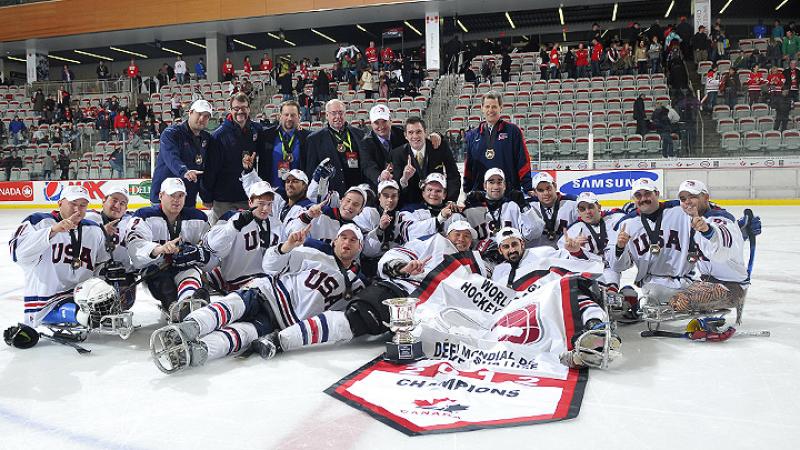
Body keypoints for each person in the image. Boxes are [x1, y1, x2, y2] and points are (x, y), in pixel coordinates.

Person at [249, 220, 486, 362]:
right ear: (447, 234)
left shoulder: (479, 265)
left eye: (467, 236)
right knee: (358, 317)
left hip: (435, 310)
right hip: (400, 290)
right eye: (457, 234)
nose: (462, 240)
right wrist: (403, 268)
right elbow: (394, 258)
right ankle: (281, 340)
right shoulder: (432, 243)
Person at [149, 223, 366, 373]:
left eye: (353, 240)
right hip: (266, 292)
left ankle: (202, 350)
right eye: (343, 238)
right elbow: (270, 265)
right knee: (231, 305)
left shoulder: (357, 284)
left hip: (281, 322)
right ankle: (192, 326)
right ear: (335, 241)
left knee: (242, 335)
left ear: (360, 247)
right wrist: (287, 247)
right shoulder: (314, 254)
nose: (347, 243)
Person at [8, 185, 110, 328]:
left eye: (82, 205)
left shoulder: (93, 229)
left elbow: (101, 261)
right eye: (73, 204)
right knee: (85, 316)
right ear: (60, 203)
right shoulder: (38, 221)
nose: (77, 209)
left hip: (82, 295)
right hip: (46, 301)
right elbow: (17, 253)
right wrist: (53, 230)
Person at [126, 178, 211, 322]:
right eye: (172, 195)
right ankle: (173, 307)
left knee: (192, 272)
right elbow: (135, 246)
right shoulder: (144, 215)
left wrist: (197, 253)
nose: (176, 200)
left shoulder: (198, 218)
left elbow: (209, 248)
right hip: (156, 270)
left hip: (184, 268)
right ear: (160, 196)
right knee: (164, 281)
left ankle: (188, 303)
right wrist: (158, 249)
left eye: (180, 196)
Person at [668, 179, 749, 325]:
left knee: (681, 302)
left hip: (731, 288)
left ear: (705, 197)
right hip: (707, 283)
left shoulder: (720, 218)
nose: (687, 201)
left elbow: (721, 250)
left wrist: (708, 231)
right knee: (666, 294)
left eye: (692, 196)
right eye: (683, 198)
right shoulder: (693, 219)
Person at [204, 181, 284, 293]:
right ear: (250, 202)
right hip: (237, 286)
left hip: (268, 286)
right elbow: (213, 247)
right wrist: (234, 227)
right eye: (261, 203)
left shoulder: (278, 224)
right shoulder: (233, 218)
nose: (265, 208)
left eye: (269, 204)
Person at [204, 93, 264, 224]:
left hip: (248, 196)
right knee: (220, 239)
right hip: (224, 200)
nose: (240, 111)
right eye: (236, 108)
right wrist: (207, 196)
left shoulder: (256, 130)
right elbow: (210, 170)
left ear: (249, 109)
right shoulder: (218, 136)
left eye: (243, 108)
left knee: (247, 238)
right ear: (230, 110)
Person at [463, 91, 532, 194]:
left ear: (501, 108)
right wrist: (467, 189)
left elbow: (523, 161)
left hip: (509, 193)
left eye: (494, 107)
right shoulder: (472, 135)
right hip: (481, 195)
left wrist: (528, 187)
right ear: (482, 108)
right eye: (487, 107)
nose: (490, 110)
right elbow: (469, 166)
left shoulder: (513, 131)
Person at [150, 99, 213, 207]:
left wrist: (206, 197)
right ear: (190, 113)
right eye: (199, 114)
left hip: (188, 198)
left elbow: (204, 170)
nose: (202, 118)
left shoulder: (207, 138)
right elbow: (171, 157)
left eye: (206, 116)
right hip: (164, 197)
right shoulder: (171, 134)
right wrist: (184, 171)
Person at [459, 168, 544, 244]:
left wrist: (524, 205)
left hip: (511, 256)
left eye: (499, 182)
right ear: (485, 186)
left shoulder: (514, 207)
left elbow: (535, 232)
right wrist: (464, 207)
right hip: (480, 259)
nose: (496, 186)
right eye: (491, 182)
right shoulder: (473, 210)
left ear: (505, 186)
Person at [85, 187, 137, 309]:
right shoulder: (89, 219)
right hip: (95, 275)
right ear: (104, 201)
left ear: (126, 208)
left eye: (122, 203)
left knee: (123, 305)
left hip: (123, 274)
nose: (117, 205)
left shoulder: (131, 221)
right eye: (114, 200)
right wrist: (100, 231)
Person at [389, 117, 459, 205]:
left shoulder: (439, 147)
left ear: (425, 132)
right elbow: (396, 186)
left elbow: (453, 175)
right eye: (410, 133)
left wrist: (451, 200)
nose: (415, 136)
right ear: (405, 135)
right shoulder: (397, 154)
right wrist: (404, 179)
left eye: (418, 132)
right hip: (411, 205)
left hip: (437, 202)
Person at [305, 99, 366, 196]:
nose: (338, 117)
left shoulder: (359, 134)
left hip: (356, 191)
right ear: (327, 115)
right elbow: (311, 171)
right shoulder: (314, 139)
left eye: (341, 113)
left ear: (345, 114)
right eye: (334, 113)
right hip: (329, 193)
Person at [257, 100, 310, 195]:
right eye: (286, 114)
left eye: (293, 115)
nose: (289, 118)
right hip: (273, 193)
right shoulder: (267, 136)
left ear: (299, 116)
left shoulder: (308, 138)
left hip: (299, 194)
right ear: (280, 116)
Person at [527, 172, 578, 248]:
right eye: (541, 190)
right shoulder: (528, 207)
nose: (546, 193)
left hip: (565, 252)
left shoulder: (572, 203)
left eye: (548, 188)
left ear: (555, 186)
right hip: (539, 255)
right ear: (535, 192)